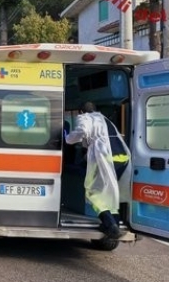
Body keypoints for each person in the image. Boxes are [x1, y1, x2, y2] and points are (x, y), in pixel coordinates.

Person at [65, 101, 126, 239]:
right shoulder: (104, 119)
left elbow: (82, 131)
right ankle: (114, 223)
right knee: (110, 192)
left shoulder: (86, 117)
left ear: (81, 112)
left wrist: (68, 139)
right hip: (121, 157)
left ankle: (110, 225)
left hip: (105, 157)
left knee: (93, 192)